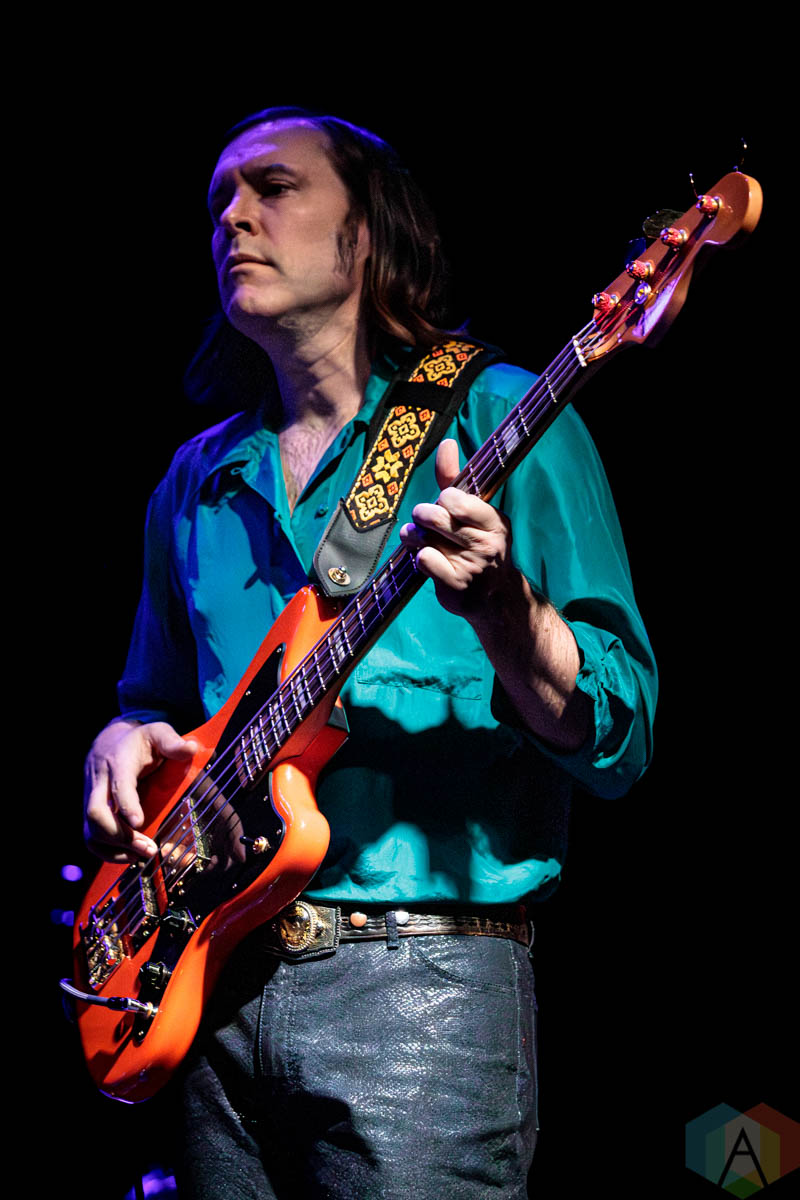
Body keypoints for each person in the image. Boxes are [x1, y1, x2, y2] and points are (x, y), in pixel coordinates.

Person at [83, 107, 657, 1198]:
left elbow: (619, 737)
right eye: (217, 201)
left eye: (272, 188)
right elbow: (154, 704)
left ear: (367, 234)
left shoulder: (502, 416)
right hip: (210, 982)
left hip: (418, 986)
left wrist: (503, 607)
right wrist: (119, 741)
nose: (232, 218)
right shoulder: (194, 481)